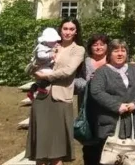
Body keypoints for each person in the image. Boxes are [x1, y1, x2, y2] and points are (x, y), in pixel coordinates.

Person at [25, 17, 86, 165]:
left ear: (76, 31)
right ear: (60, 30)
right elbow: (31, 65)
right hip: (41, 97)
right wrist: (33, 69)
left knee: (57, 147)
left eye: (71, 29)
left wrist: (46, 75)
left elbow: (68, 71)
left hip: (61, 98)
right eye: (65, 29)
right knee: (40, 143)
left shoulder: (78, 49)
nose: (68, 32)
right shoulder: (49, 44)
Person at [87, 40, 135, 165]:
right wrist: (117, 105)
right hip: (110, 123)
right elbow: (96, 92)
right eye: (116, 51)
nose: (120, 54)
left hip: (132, 122)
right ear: (109, 53)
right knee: (111, 159)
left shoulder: (134, 68)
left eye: (123, 50)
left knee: (132, 158)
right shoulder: (102, 72)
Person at [74, 33, 111, 165]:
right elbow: (75, 79)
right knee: (89, 140)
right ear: (90, 47)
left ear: (107, 46)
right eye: (95, 45)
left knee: (106, 140)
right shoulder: (85, 62)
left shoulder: (112, 61)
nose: (98, 47)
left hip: (107, 107)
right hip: (88, 105)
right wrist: (87, 84)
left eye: (102, 44)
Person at [26, 27, 60, 100]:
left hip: (43, 65)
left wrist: (55, 47)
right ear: (46, 41)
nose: (54, 42)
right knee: (50, 75)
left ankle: (32, 91)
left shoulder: (48, 45)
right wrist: (50, 55)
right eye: (52, 41)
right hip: (41, 66)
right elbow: (40, 56)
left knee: (39, 81)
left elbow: (52, 48)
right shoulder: (41, 47)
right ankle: (41, 88)